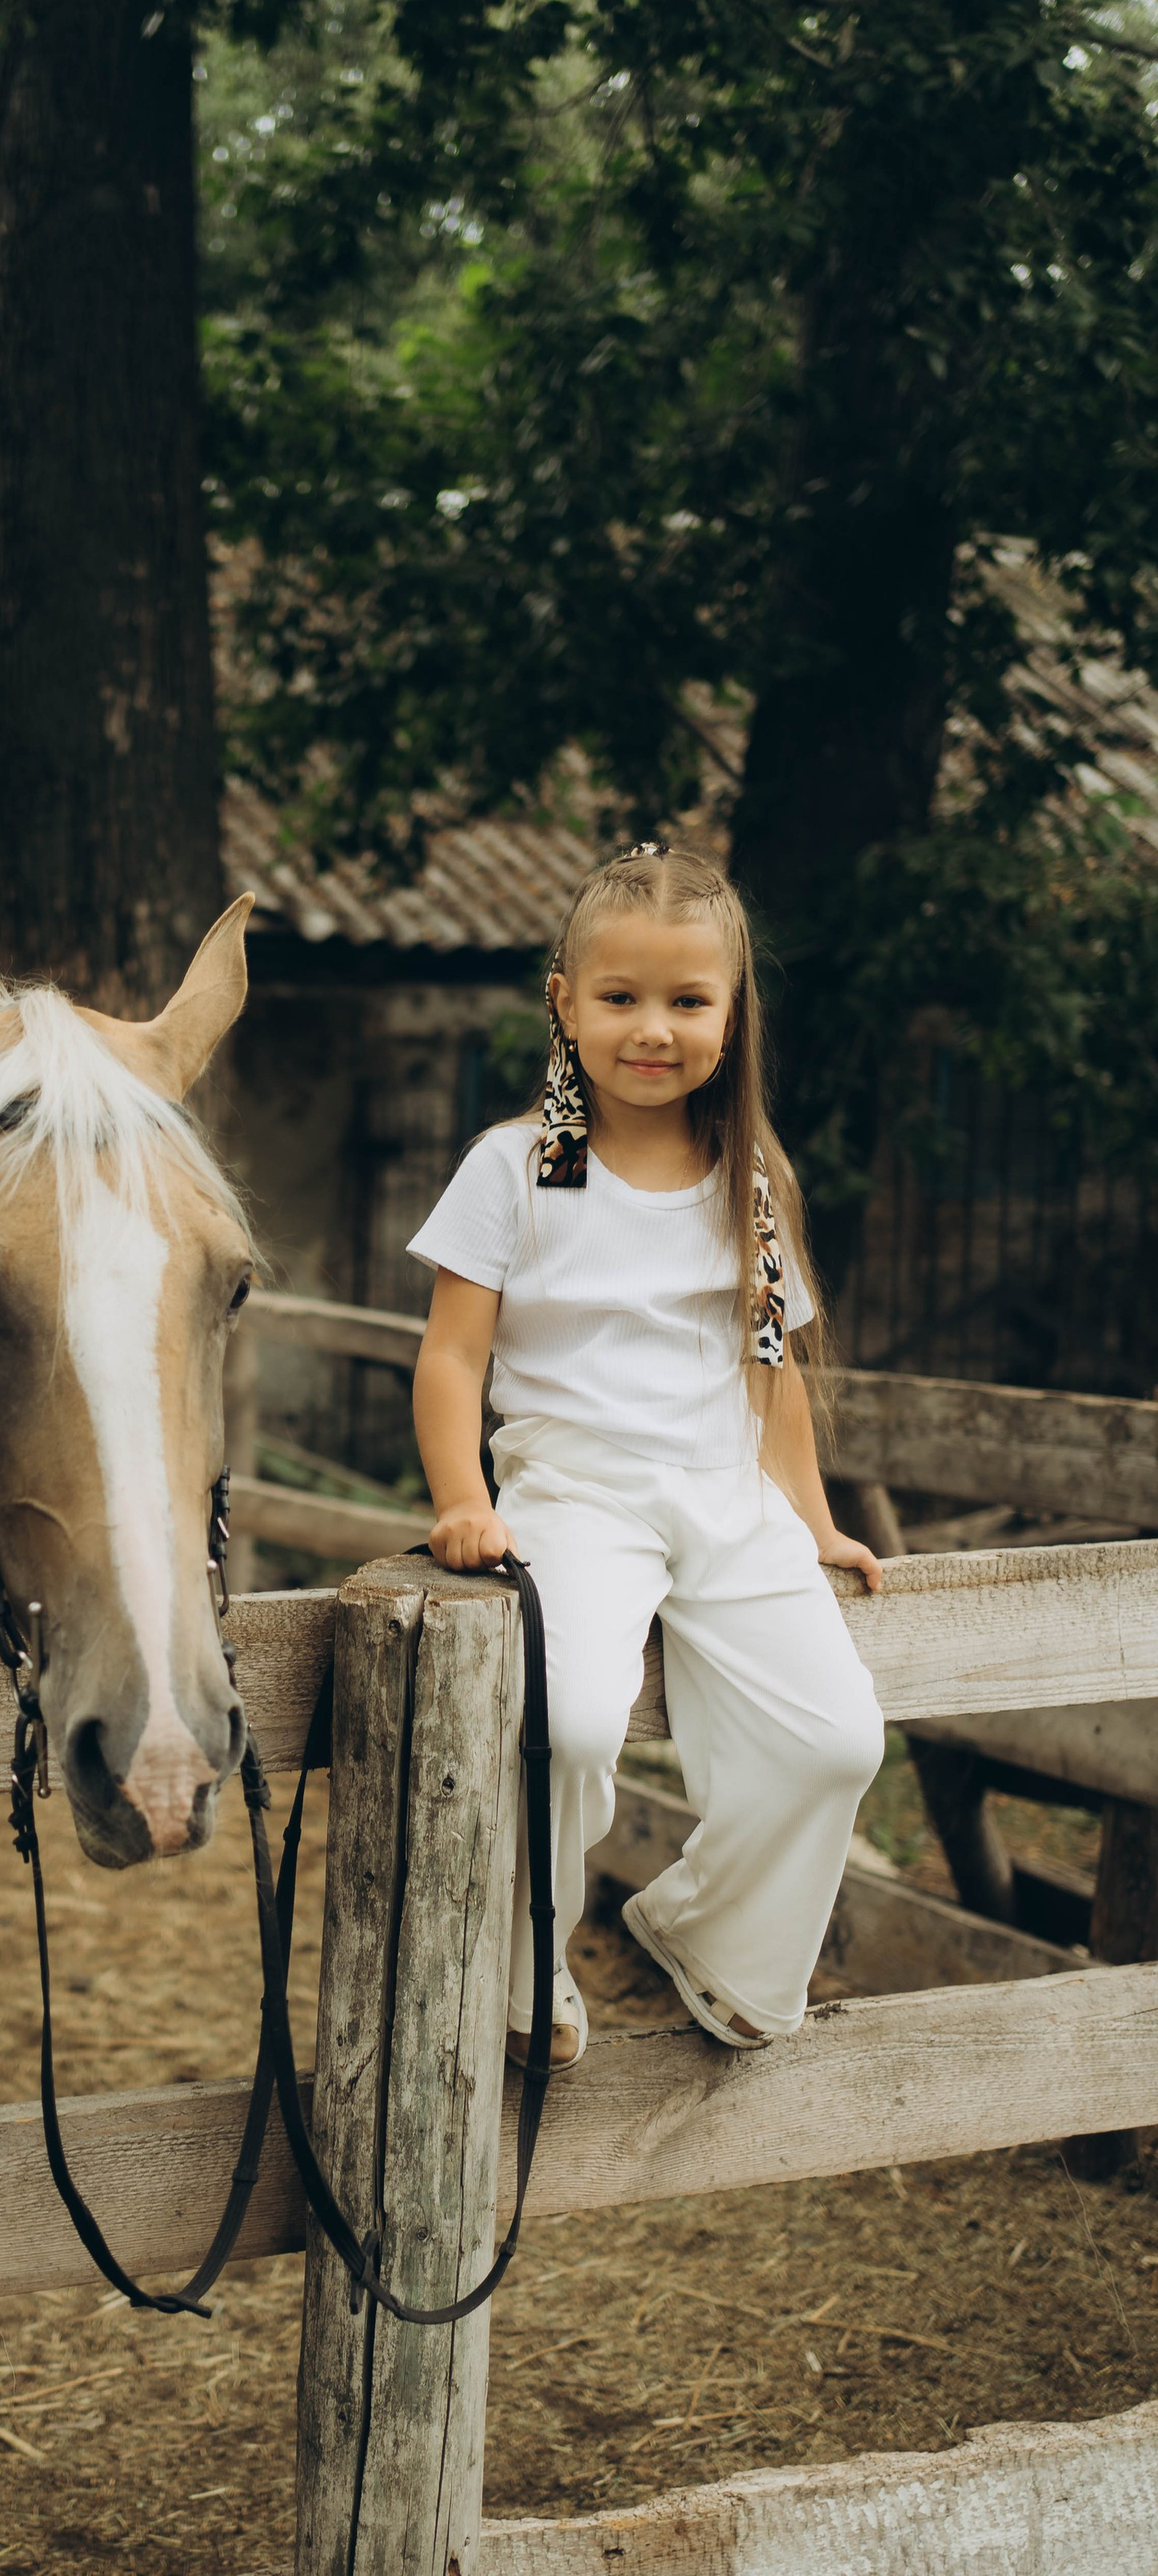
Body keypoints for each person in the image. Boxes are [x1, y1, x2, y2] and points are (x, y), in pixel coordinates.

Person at [410, 842, 888, 2066]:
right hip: (577, 1497)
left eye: (689, 1001)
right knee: (566, 1724)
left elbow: (770, 1370)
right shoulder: (515, 1168)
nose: (653, 1030)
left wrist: (816, 1519)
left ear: (733, 1013)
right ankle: (529, 1966)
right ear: (563, 1002)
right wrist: (465, 1500)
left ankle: (708, 1931)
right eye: (620, 999)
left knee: (839, 1741)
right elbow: (455, 1359)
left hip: (730, 1498)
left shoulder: (754, 1182)